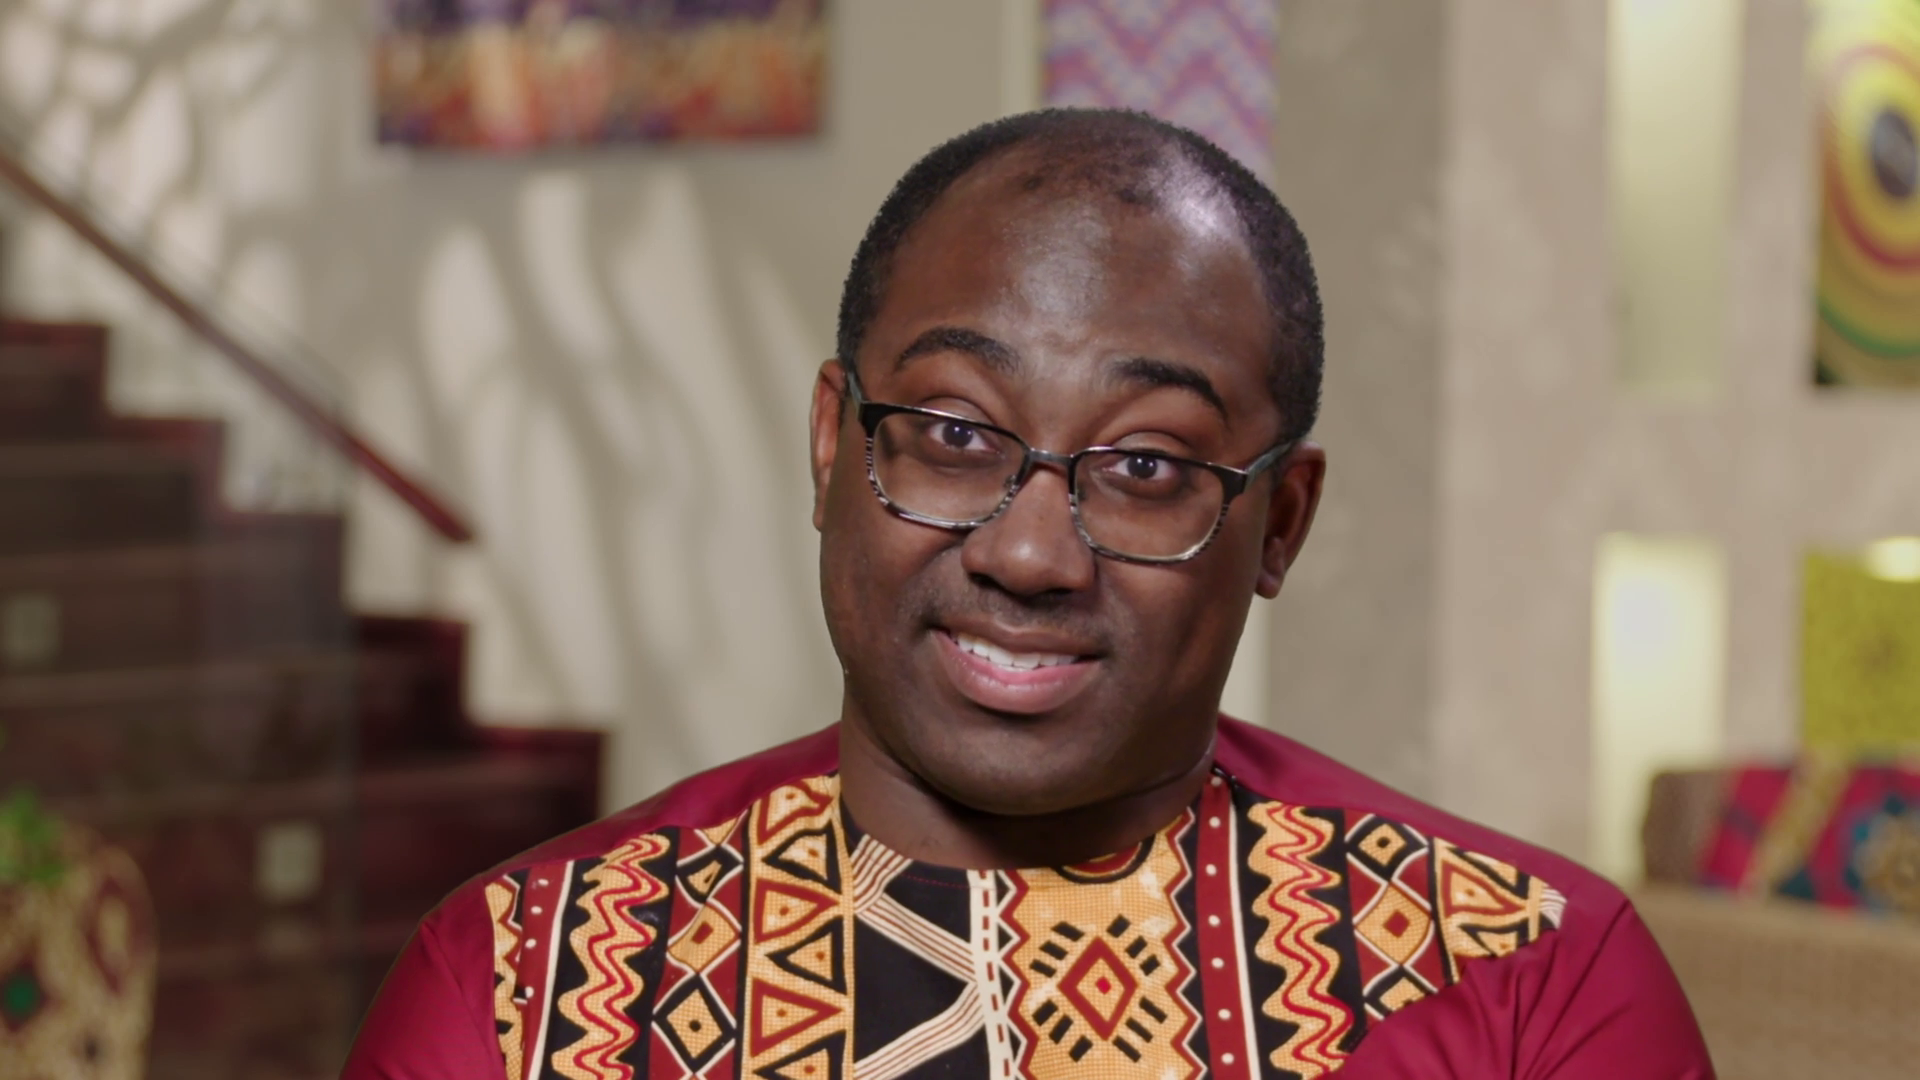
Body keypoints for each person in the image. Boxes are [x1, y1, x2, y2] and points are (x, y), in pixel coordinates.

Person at [342, 108, 1714, 1080]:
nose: (1031, 554)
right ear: (830, 447)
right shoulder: (528, 987)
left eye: (1146, 465)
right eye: (953, 434)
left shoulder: (1530, 985)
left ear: (1281, 523)